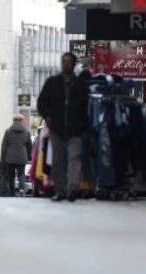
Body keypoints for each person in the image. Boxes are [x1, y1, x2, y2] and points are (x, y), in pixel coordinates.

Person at [37, 52, 89, 202]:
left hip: (75, 128)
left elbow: (85, 108)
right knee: (57, 160)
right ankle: (60, 190)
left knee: (74, 158)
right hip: (57, 127)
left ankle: (72, 189)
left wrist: (84, 127)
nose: (66, 65)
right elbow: (41, 102)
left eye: (68, 62)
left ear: (73, 65)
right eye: (64, 62)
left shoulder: (80, 85)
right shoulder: (52, 83)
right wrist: (47, 115)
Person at [1, 114, 33, 196]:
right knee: (21, 174)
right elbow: (30, 146)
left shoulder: (8, 132)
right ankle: (21, 188)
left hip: (10, 157)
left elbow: (4, 146)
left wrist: (3, 159)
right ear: (21, 121)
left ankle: (12, 193)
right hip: (22, 157)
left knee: (11, 176)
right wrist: (29, 156)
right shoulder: (26, 132)